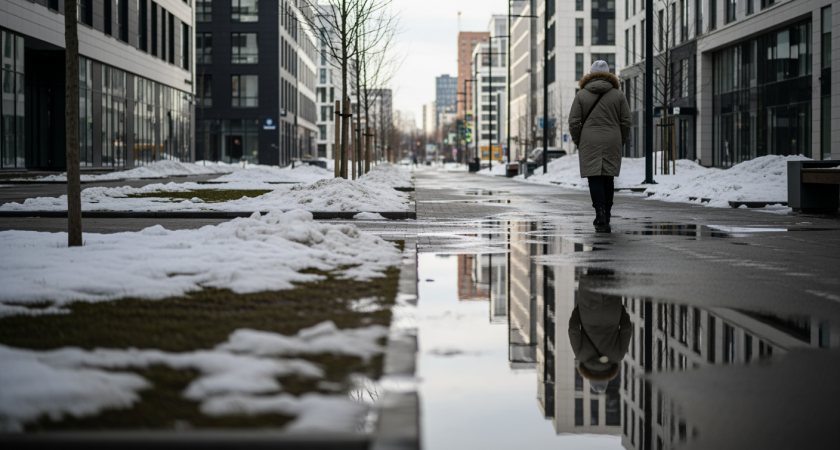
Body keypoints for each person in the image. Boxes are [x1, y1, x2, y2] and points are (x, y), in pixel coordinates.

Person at [569, 60, 632, 226]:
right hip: (613, 138)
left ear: (590, 74)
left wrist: (579, 141)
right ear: (609, 74)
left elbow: (574, 121)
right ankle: (608, 212)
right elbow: (626, 121)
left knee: (594, 177)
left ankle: (600, 212)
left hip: (589, 139)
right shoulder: (618, 95)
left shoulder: (581, 94)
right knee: (608, 177)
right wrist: (621, 139)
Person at [568, 269, 632, 393]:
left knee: (609, 272)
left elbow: (626, 329)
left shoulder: (617, 356)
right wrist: (578, 311)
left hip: (611, 314)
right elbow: (573, 330)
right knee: (594, 268)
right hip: (588, 312)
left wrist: (620, 311)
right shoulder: (581, 355)